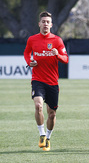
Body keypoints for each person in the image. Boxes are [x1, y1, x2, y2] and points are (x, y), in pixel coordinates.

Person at [23, 11, 69, 151]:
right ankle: (42, 134)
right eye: (43, 21)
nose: (45, 24)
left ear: (51, 25)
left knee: (52, 113)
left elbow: (66, 59)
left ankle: (48, 137)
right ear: (39, 24)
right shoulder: (32, 39)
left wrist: (58, 55)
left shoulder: (57, 40)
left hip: (53, 82)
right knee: (38, 106)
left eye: (48, 22)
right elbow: (26, 53)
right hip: (38, 80)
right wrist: (29, 62)